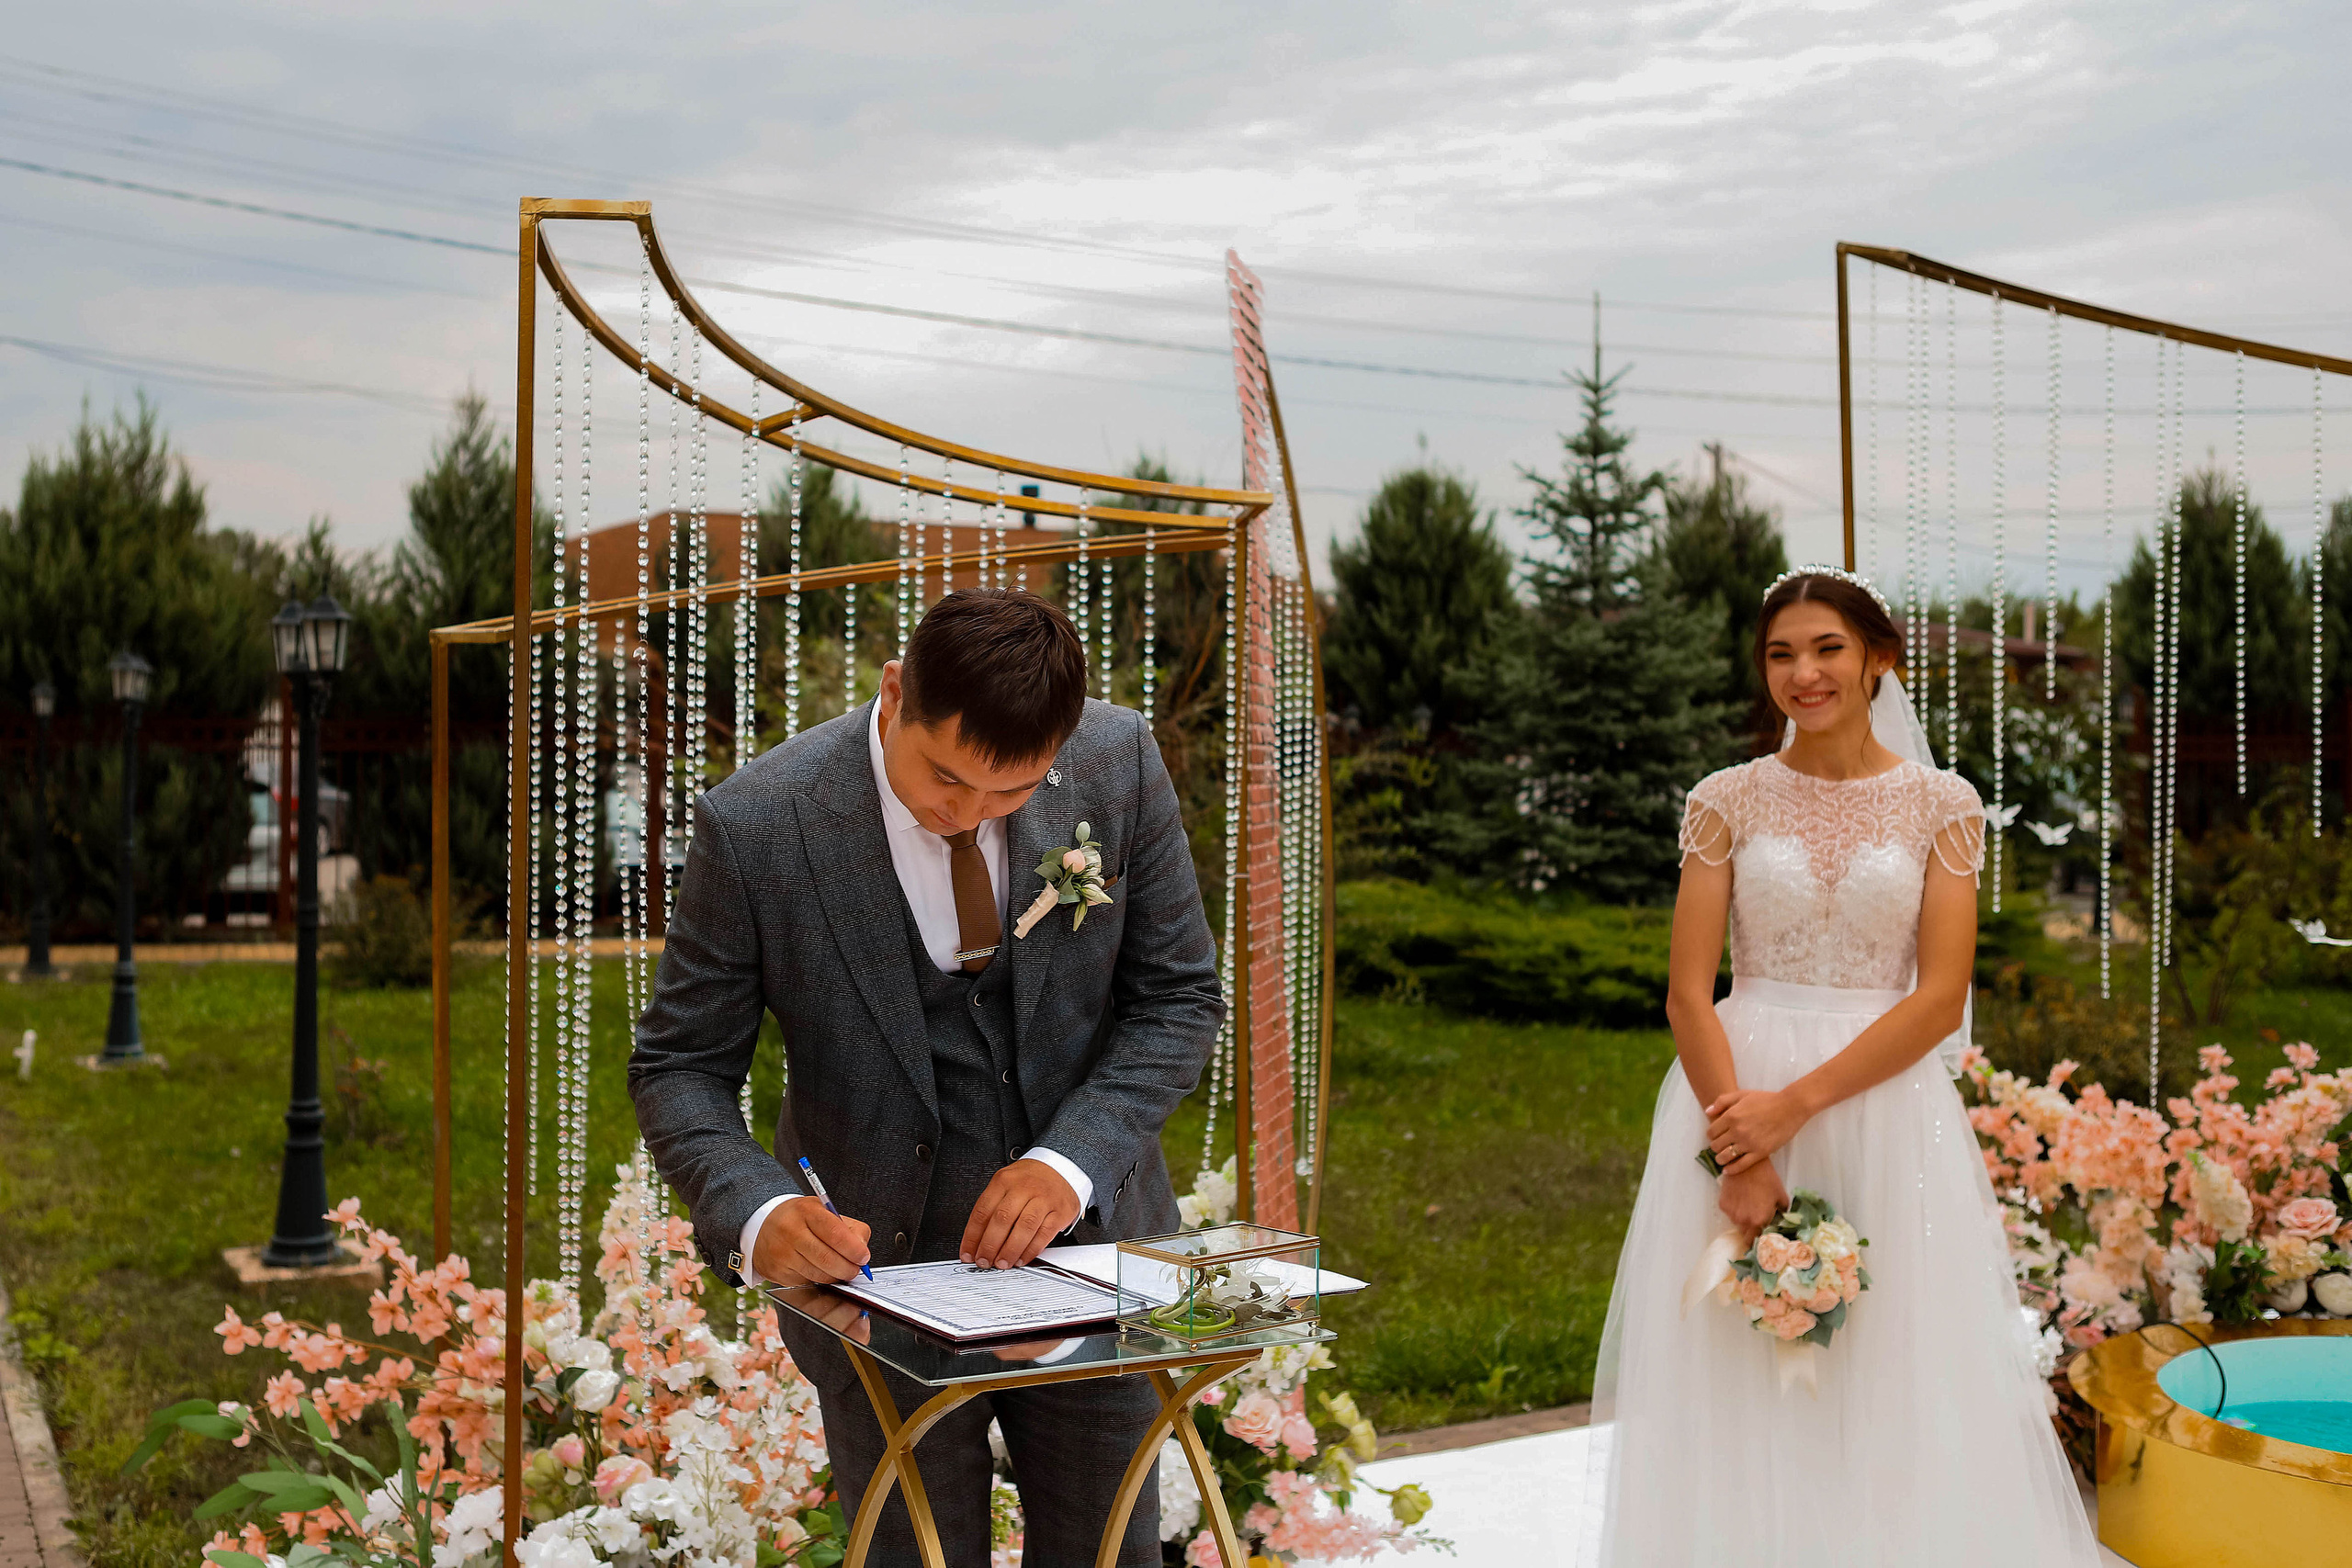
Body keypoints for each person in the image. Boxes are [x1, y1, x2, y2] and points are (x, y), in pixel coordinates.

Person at [628, 588, 1223, 1567]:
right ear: (896, 690)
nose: (968, 813)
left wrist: (1070, 1163)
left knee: (1110, 1550)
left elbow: (1179, 1000)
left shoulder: (1117, 762)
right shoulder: (759, 824)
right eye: (946, 776)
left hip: (1093, 1261)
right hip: (874, 1288)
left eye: (1009, 793)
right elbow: (680, 1064)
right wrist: (759, 1212)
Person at [1582, 567, 2101, 1564]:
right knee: (1735, 1356)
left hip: (1882, 1104)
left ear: (1877, 658)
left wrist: (1796, 1107)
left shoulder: (1941, 805)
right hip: (1731, 1097)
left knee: (1889, 1354)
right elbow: (1688, 992)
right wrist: (1743, 1149)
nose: (1803, 673)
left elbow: (1938, 998)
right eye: (1781, 653)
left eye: (1827, 648)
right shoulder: (1724, 800)